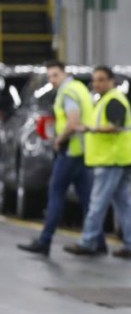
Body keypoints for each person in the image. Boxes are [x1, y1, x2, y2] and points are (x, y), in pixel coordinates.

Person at [17, 61, 105, 256]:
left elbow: (72, 122)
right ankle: (98, 241)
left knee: (56, 194)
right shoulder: (80, 88)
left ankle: (44, 240)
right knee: (88, 199)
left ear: (64, 73)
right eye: (49, 77)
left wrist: (59, 140)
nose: (52, 80)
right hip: (83, 151)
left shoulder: (68, 92)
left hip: (70, 151)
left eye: (55, 75)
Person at [64, 65, 131, 259]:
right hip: (121, 158)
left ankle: (88, 241)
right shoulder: (107, 100)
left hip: (112, 160)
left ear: (111, 81)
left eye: (101, 80)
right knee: (123, 204)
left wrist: (89, 128)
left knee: (97, 203)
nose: (96, 83)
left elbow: (115, 126)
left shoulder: (113, 100)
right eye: (95, 80)